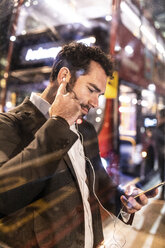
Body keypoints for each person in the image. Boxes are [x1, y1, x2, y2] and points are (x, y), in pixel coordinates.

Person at [0, 42, 157, 248]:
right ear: (64, 77)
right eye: (92, 90)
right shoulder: (9, 125)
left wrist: (123, 200)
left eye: (99, 95)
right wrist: (59, 123)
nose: (95, 103)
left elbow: (98, 184)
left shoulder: (86, 130)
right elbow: (5, 197)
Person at [156, 108, 165, 200]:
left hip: (162, 156)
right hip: (162, 155)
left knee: (163, 174)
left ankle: (162, 194)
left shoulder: (160, 127)